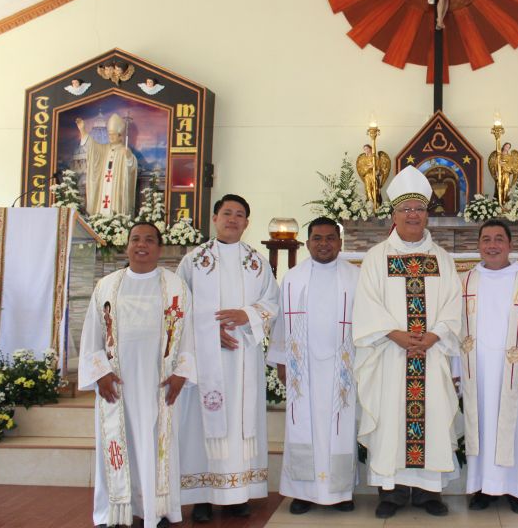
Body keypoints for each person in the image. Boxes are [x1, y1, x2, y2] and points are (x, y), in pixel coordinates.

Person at [352, 165, 462, 519]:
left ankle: (429, 491)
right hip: (390, 353)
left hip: (430, 353)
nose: (413, 215)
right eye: (406, 209)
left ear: (427, 214)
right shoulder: (375, 257)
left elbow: (452, 304)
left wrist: (432, 336)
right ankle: (392, 491)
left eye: (418, 209)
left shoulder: (442, 259)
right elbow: (368, 303)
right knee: (390, 418)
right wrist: (398, 335)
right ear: (394, 214)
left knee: (433, 414)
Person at [78, 222, 195, 528]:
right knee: (118, 443)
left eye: (149, 240)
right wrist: (100, 373)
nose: (141, 245)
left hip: (160, 382)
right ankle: (115, 511)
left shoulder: (176, 287)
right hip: (117, 382)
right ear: (127, 245)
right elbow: (92, 335)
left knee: (159, 445)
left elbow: (188, 335)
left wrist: (182, 373)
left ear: (160, 247)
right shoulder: (107, 286)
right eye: (135, 239)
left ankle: (157, 510)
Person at [176, 194, 280, 522]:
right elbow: (178, 308)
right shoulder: (193, 261)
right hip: (204, 360)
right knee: (202, 424)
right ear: (215, 217)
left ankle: (238, 494)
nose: (232, 219)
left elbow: (272, 302)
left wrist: (245, 314)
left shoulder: (257, 262)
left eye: (239, 215)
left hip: (243, 358)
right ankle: (204, 496)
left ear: (247, 223)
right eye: (227, 213)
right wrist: (208, 329)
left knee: (240, 422)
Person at [268, 217, 360, 514]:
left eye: (330, 238)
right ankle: (302, 491)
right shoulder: (293, 278)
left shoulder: (355, 277)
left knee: (341, 427)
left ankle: (341, 490)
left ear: (340, 242)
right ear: (307, 243)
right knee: (300, 425)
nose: (324, 244)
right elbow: (282, 322)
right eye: (317, 238)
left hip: (343, 367)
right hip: (302, 369)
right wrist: (281, 360)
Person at [459, 219, 518, 514]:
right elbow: (456, 329)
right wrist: (455, 370)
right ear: (478, 245)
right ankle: (483, 488)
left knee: (516, 430)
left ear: (510, 245)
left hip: (515, 370)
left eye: (499, 239)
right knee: (482, 427)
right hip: (478, 372)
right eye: (486, 239)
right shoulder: (466, 281)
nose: (492, 245)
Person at [76, 113, 138, 217]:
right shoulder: (104, 149)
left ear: (120, 136)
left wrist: (128, 157)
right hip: (104, 186)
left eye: (113, 134)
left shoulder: (124, 150)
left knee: (115, 206)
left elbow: (131, 168)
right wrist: (82, 130)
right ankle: (100, 219)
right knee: (103, 204)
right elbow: (92, 147)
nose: (111, 137)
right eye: (109, 134)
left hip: (117, 188)